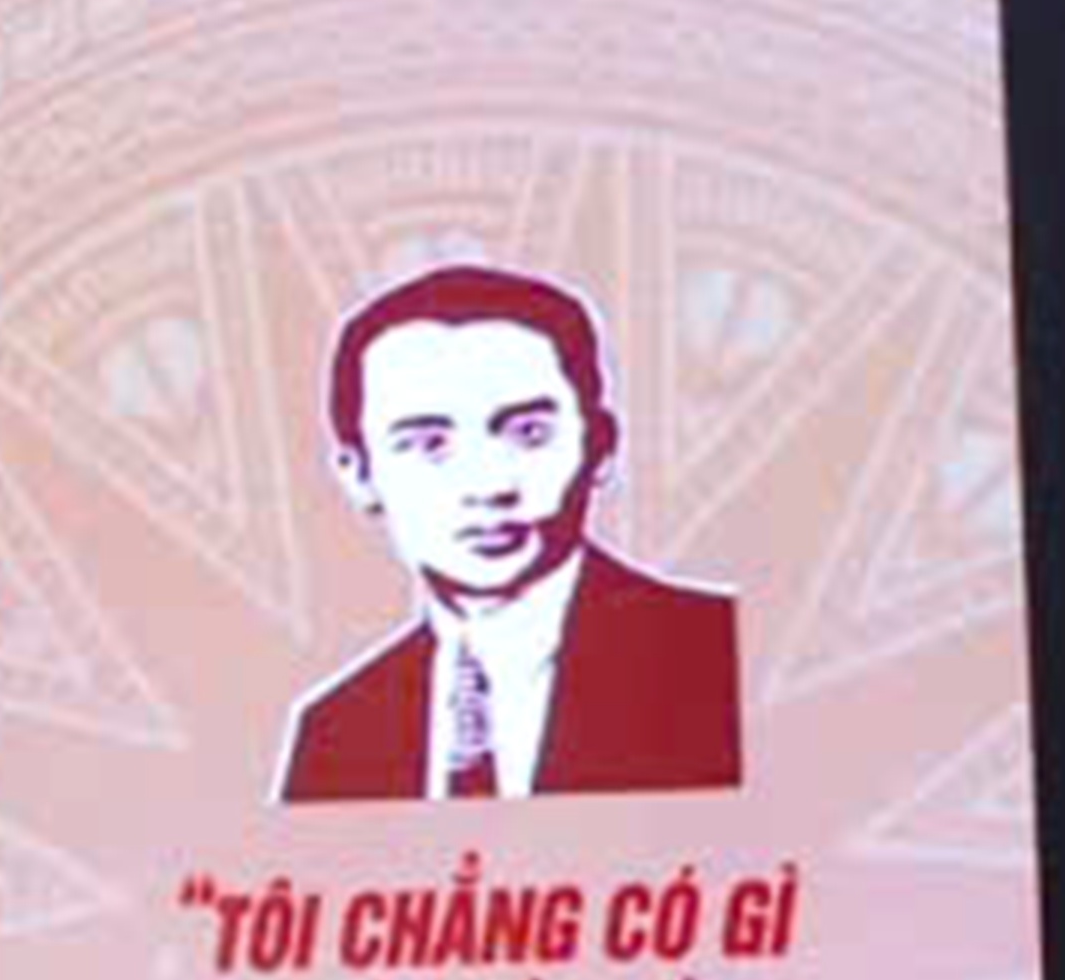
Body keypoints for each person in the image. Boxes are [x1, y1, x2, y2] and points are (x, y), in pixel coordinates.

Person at [273, 257, 748, 805]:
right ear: (359, 475)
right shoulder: (335, 730)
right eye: (428, 444)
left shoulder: (717, 660)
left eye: (529, 433)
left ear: (600, 447)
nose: (488, 484)